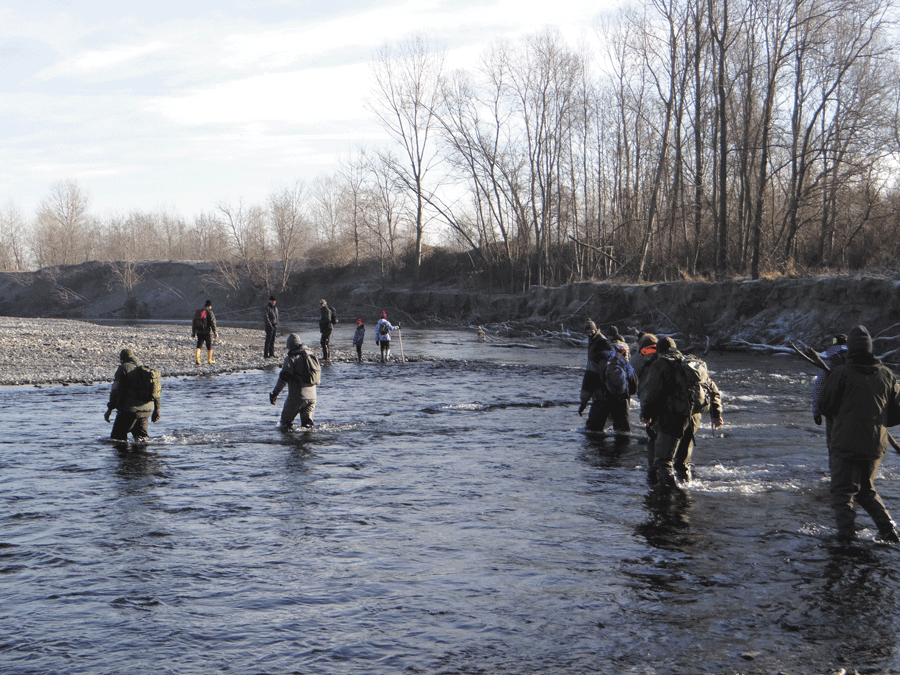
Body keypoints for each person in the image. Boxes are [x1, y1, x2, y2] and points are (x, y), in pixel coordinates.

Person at [820, 325, 900, 542]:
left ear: (851, 349)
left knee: (842, 493)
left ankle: (846, 539)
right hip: (875, 445)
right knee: (866, 490)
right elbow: (896, 415)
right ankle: (889, 531)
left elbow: (825, 406)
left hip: (845, 443)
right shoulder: (887, 375)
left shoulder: (841, 373)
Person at [640, 337, 723, 487]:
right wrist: (716, 415)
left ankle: (670, 498)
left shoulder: (661, 364)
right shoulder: (692, 363)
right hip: (694, 418)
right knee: (682, 463)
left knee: (663, 462)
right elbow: (712, 389)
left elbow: (651, 394)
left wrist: (646, 415)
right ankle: (685, 495)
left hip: (672, 417)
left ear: (659, 351)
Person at [578, 320, 632, 434]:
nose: (589, 334)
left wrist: (583, 403)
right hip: (620, 396)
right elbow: (632, 378)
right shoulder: (620, 361)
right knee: (623, 433)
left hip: (602, 394)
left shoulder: (597, 355)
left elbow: (588, 381)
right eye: (587, 332)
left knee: (593, 431)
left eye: (591, 331)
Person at [104, 348, 161, 442]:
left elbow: (116, 391)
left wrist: (109, 409)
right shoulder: (145, 369)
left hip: (128, 412)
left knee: (117, 440)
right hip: (146, 412)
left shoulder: (123, 368)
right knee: (142, 442)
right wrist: (157, 410)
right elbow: (157, 392)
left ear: (122, 358)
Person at [269, 333, 320, 430]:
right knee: (307, 427)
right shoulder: (310, 355)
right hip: (313, 397)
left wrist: (275, 393)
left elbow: (283, 379)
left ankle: (289, 443)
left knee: (284, 424)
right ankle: (309, 444)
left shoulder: (291, 358)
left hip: (297, 396)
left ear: (289, 346)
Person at [630, 332, 659, 474]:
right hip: (663, 396)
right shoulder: (662, 354)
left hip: (647, 395)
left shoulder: (639, 357)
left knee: (651, 429)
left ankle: (653, 464)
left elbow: (630, 375)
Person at [811, 334, 847, 447]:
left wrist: (816, 410)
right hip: (852, 407)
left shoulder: (830, 358)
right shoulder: (855, 357)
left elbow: (819, 385)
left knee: (833, 445)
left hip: (833, 408)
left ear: (834, 342)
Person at [192, 299, 218, 364]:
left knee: (199, 345)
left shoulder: (198, 312)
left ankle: (197, 360)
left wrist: (193, 332)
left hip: (199, 331)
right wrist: (215, 332)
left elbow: (194, 322)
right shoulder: (210, 312)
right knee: (209, 346)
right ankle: (210, 360)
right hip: (207, 332)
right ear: (209, 306)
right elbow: (213, 323)